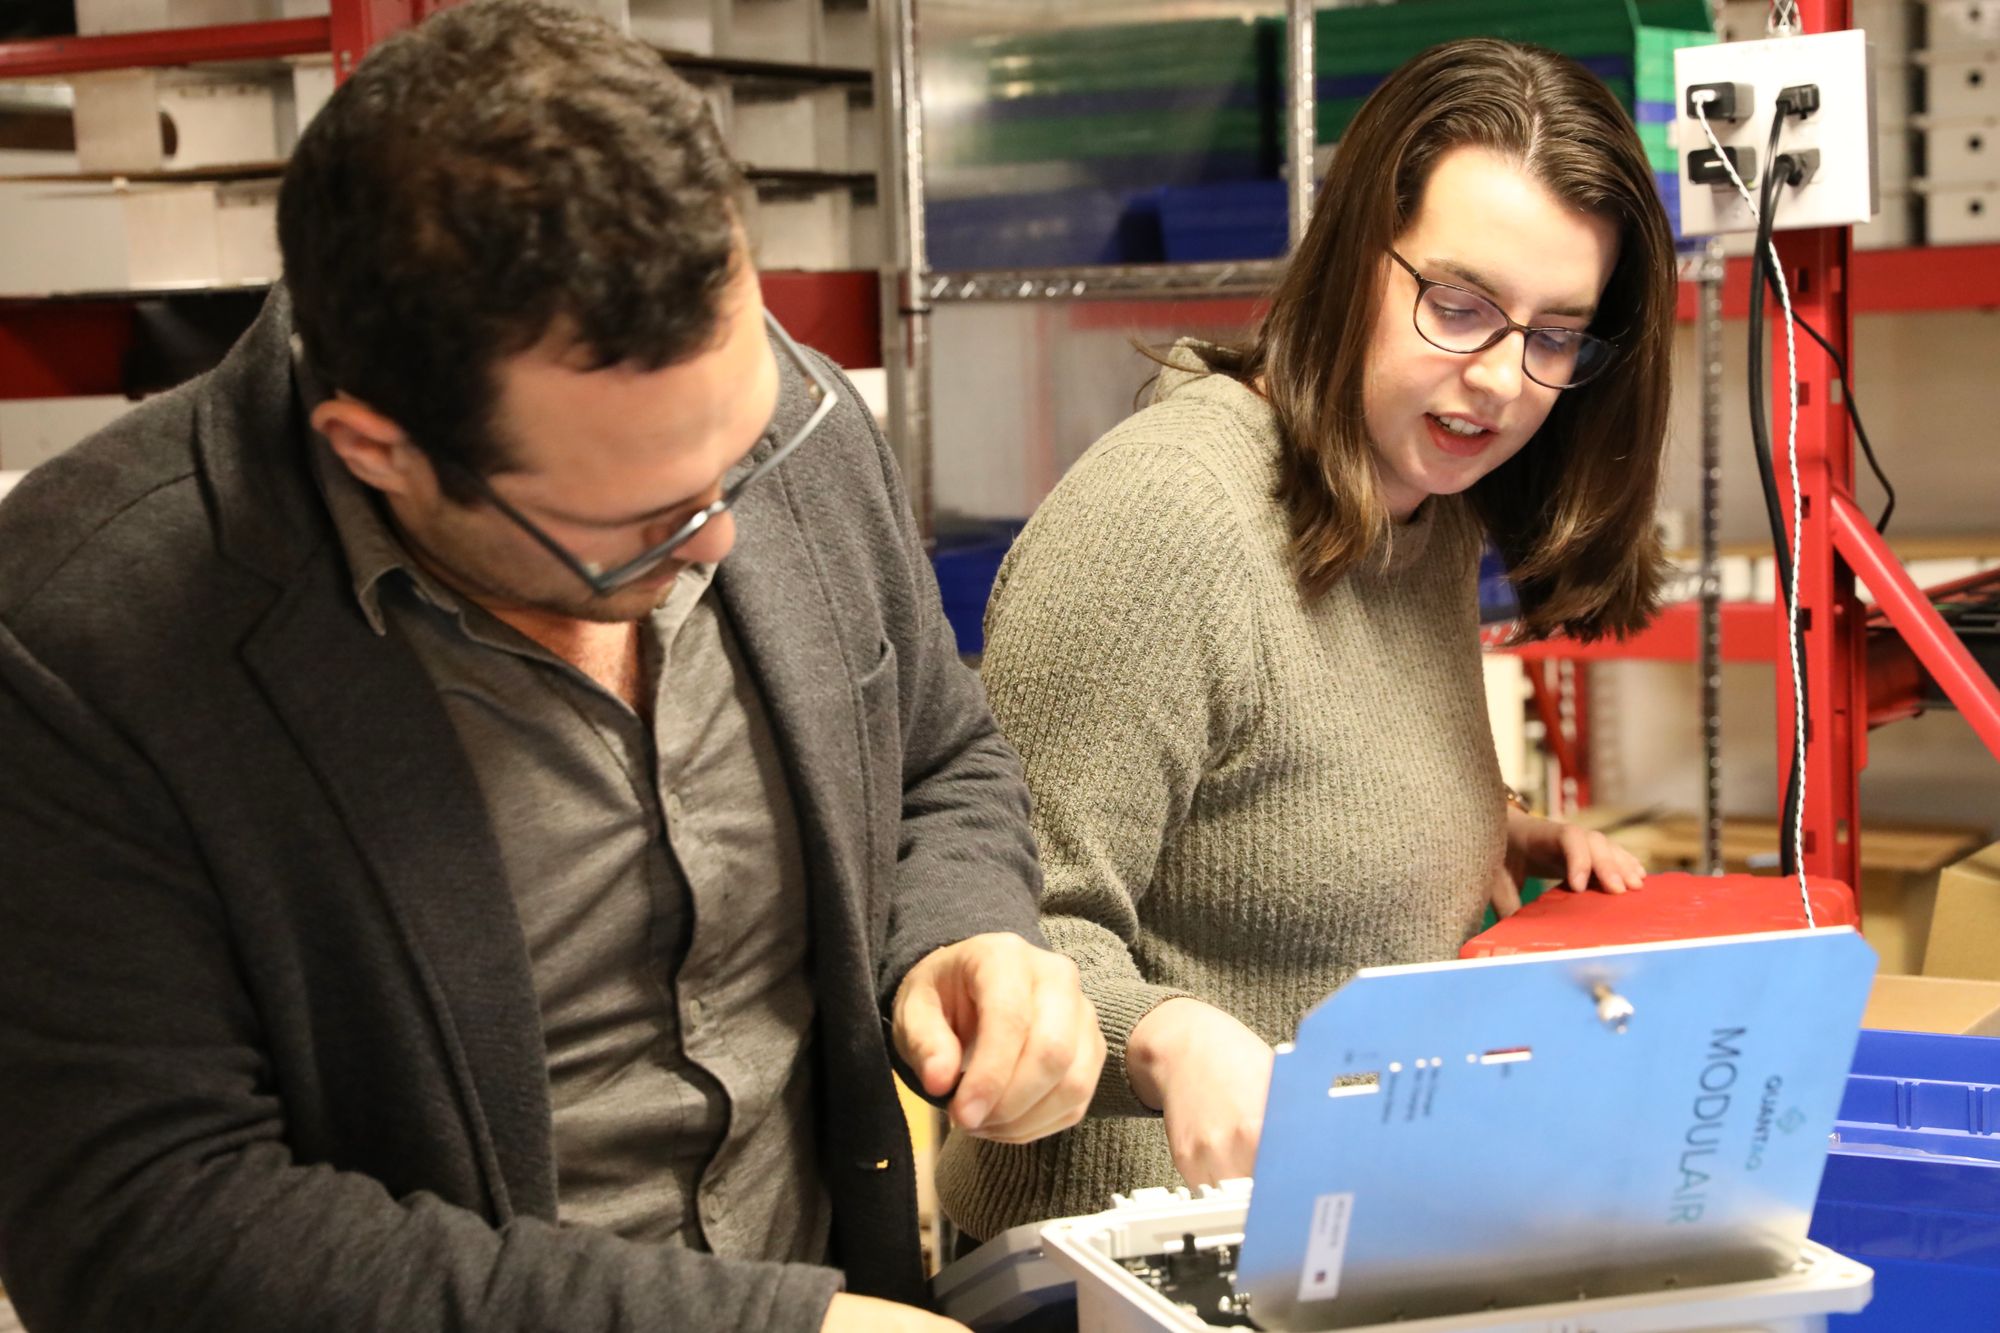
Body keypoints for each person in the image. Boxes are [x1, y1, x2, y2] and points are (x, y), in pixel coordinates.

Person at [0, 4, 1105, 1330]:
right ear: (378, 451)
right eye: (642, 522)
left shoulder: (776, 422)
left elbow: (938, 755)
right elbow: (147, 1223)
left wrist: (964, 930)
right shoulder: (78, 641)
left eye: (735, 454)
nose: (722, 536)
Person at [935, 37, 1670, 1245]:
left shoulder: (1423, 501)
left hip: (1341, 1224)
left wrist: (1481, 831)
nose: (1498, 380)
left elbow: (1285, 796)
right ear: (1348, 256)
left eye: (1553, 336)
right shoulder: (1167, 519)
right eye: (1458, 304)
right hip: (1116, 1253)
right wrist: (1160, 1043)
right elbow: (1005, 928)